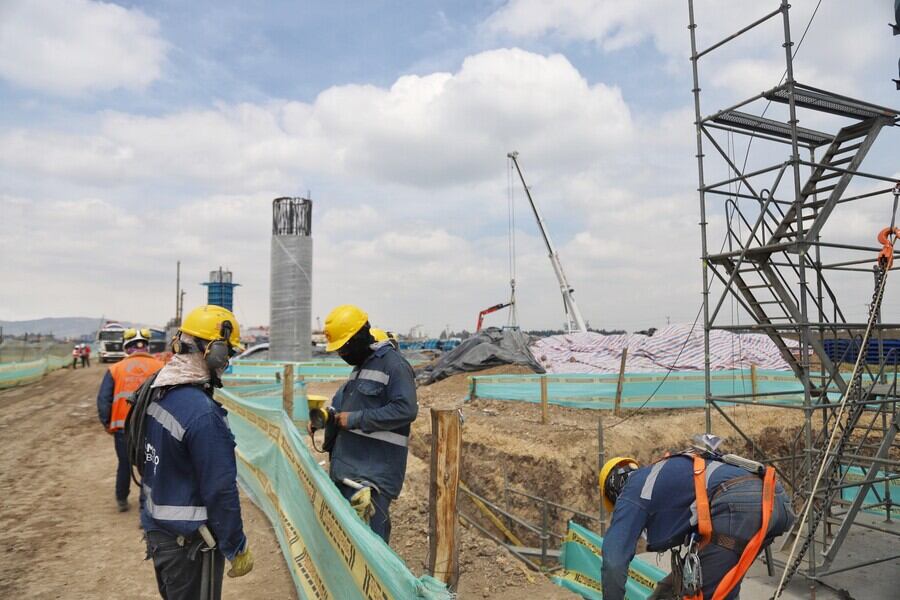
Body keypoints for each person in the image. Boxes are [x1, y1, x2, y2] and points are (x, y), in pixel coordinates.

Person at [128, 304, 252, 599]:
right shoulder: (203, 414)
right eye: (228, 354)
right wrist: (235, 546)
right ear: (215, 352)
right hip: (191, 547)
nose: (227, 362)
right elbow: (220, 490)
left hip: (159, 534)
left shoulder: (158, 391)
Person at [598, 443, 795, 600]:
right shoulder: (664, 476)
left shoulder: (631, 491)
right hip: (774, 500)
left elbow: (613, 562)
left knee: (700, 593)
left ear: (613, 490)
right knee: (718, 588)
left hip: (741, 505)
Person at [320, 305, 418, 544]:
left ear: (358, 338)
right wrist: (326, 417)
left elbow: (406, 409)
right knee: (348, 547)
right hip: (348, 472)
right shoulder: (360, 368)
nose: (341, 354)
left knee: (372, 549)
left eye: (344, 347)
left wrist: (353, 419)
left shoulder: (394, 366)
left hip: (372, 479)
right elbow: (341, 407)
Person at [96, 328, 164, 512]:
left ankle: (121, 499)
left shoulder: (115, 369)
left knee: (124, 464)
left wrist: (107, 423)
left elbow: (104, 400)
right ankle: (146, 507)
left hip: (122, 429)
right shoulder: (160, 368)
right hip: (151, 427)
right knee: (149, 465)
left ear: (127, 348)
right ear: (147, 347)